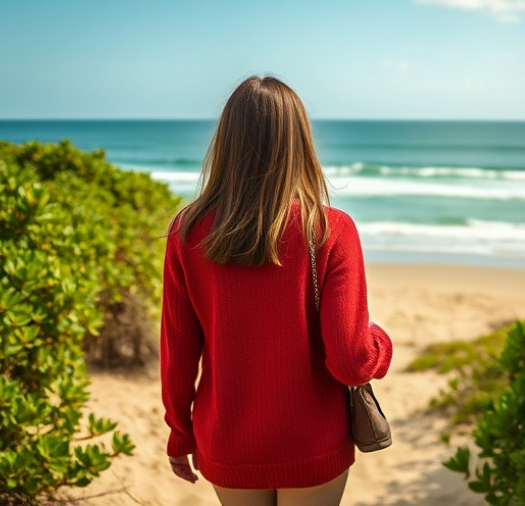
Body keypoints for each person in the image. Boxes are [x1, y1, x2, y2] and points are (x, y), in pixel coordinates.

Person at [160, 75, 394, 506]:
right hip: (312, 438)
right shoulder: (330, 229)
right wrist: (381, 344)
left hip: (227, 437)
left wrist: (179, 432)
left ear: (226, 140)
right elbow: (350, 360)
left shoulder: (186, 231)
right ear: (298, 140)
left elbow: (178, 350)